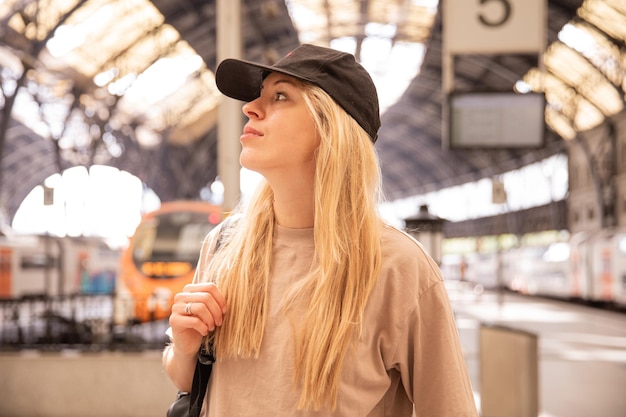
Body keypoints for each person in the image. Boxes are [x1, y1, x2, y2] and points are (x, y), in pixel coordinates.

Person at [162, 44, 478, 417]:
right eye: (259, 97)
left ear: (331, 127)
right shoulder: (225, 245)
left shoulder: (398, 267)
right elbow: (190, 383)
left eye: (280, 96)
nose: (250, 108)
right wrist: (184, 346)